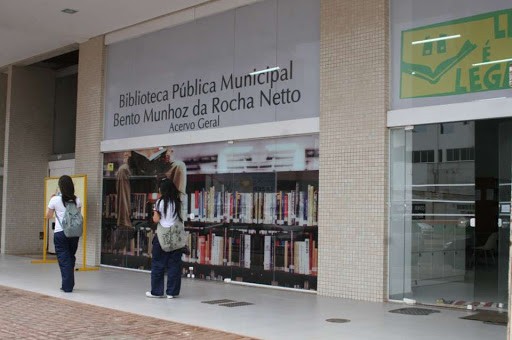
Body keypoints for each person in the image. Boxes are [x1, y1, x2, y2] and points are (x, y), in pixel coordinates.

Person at [146, 178, 183, 298]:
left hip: (162, 237)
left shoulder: (159, 203)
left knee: (158, 264)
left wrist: (154, 211)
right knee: (174, 265)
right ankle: (171, 293)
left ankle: (157, 291)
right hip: (175, 237)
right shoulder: (178, 202)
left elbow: (156, 220)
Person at [46, 175, 82, 293]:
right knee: (70, 257)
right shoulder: (77, 200)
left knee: (64, 259)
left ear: (60, 187)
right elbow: (77, 217)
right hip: (74, 233)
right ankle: (67, 283)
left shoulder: (55, 200)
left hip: (60, 233)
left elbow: (48, 216)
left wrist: (52, 202)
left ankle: (67, 286)